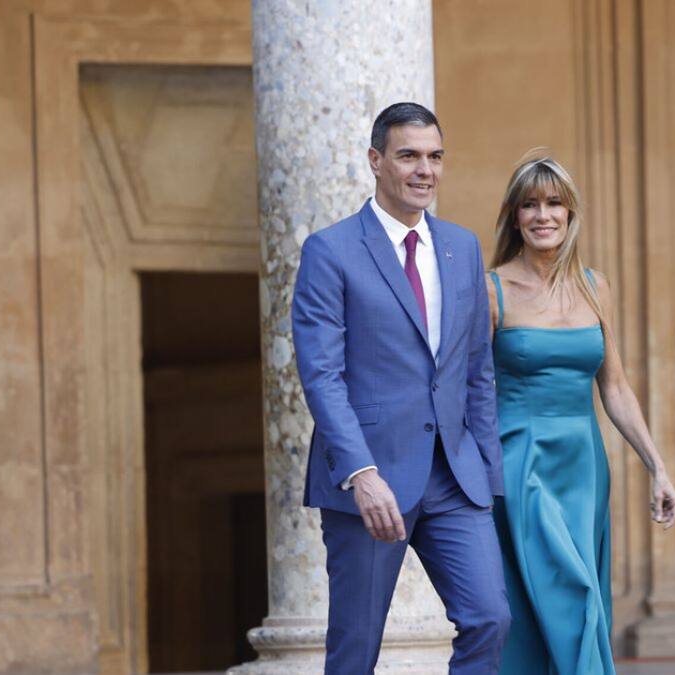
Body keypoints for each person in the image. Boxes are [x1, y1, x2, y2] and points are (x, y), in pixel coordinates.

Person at [292, 102, 510, 674]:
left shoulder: (462, 247)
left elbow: (476, 369)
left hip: (455, 478)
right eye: (408, 155)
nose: (425, 170)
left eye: (435, 157)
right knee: (355, 650)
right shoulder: (330, 250)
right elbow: (322, 375)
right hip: (371, 480)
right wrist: (361, 476)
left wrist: (488, 473)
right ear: (376, 161)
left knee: (490, 618)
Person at [486, 153, 675, 674]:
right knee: (567, 596)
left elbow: (614, 387)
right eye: (530, 204)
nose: (542, 215)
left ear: (571, 215)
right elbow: (469, 393)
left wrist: (656, 465)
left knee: (579, 597)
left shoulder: (596, 287)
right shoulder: (492, 289)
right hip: (520, 463)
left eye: (554, 204)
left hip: (583, 470)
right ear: (514, 215)